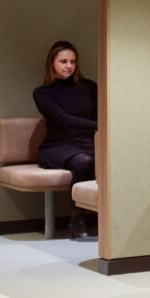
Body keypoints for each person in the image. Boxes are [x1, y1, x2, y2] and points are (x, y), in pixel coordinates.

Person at [33, 40, 100, 241]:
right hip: (58, 145)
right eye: (63, 61)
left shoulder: (89, 87)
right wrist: (98, 126)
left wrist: (99, 127)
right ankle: (76, 218)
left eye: (72, 61)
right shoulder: (42, 93)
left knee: (106, 159)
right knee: (84, 161)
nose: (68, 66)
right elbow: (63, 121)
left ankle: (105, 215)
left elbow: (99, 116)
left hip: (87, 142)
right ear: (52, 63)